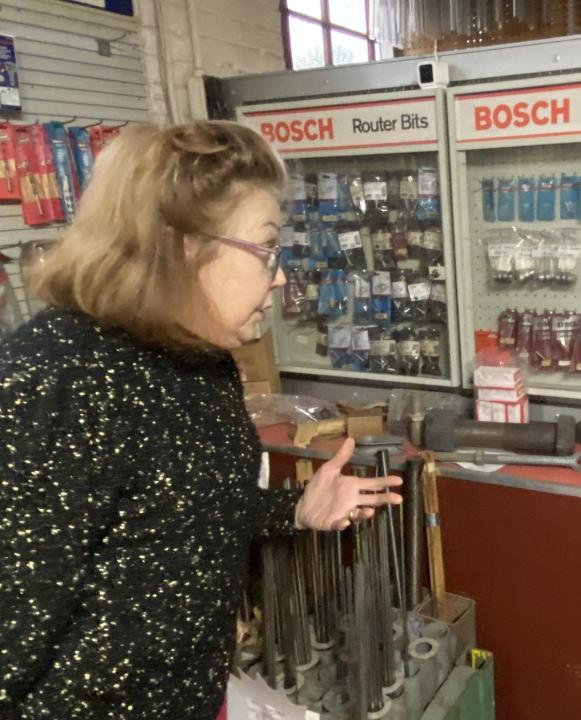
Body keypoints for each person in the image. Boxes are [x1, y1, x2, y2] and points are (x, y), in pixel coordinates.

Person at [0, 121, 402, 720]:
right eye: (267, 249)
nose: (281, 274)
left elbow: (183, 513)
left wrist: (293, 510)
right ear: (181, 245)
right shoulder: (52, 381)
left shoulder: (200, 360)